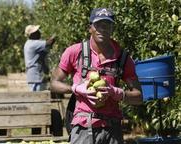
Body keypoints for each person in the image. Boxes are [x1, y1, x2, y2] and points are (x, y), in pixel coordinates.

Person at [50, 8, 142, 144]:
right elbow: (53, 84)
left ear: (112, 29)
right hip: (83, 127)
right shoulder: (75, 52)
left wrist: (117, 92)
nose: (103, 29)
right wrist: (76, 88)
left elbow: (139, 97)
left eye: (108, 25)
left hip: (112, 130)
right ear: (90, 28)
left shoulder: (122, 58)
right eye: (98, 25)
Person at [24, 25, 55, 91]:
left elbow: (43, 53)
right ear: (32, 34)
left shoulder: (28, 43)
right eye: (37, 31)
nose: (39, 32)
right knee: (37, 98)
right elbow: (49, 42)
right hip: (36, 77)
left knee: (37, 99)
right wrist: (56, 34)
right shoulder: (34, 44)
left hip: (34, 76)